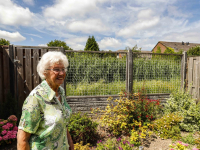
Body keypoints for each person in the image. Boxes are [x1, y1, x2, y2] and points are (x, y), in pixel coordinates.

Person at [17, 51, 74, 150]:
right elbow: (22, 140)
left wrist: (70, 145)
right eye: (56, 69)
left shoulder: (61, 92)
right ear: (45, 72)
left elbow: (63, 124)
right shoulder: (36, 98)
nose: (61, 73)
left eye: (63, 69)